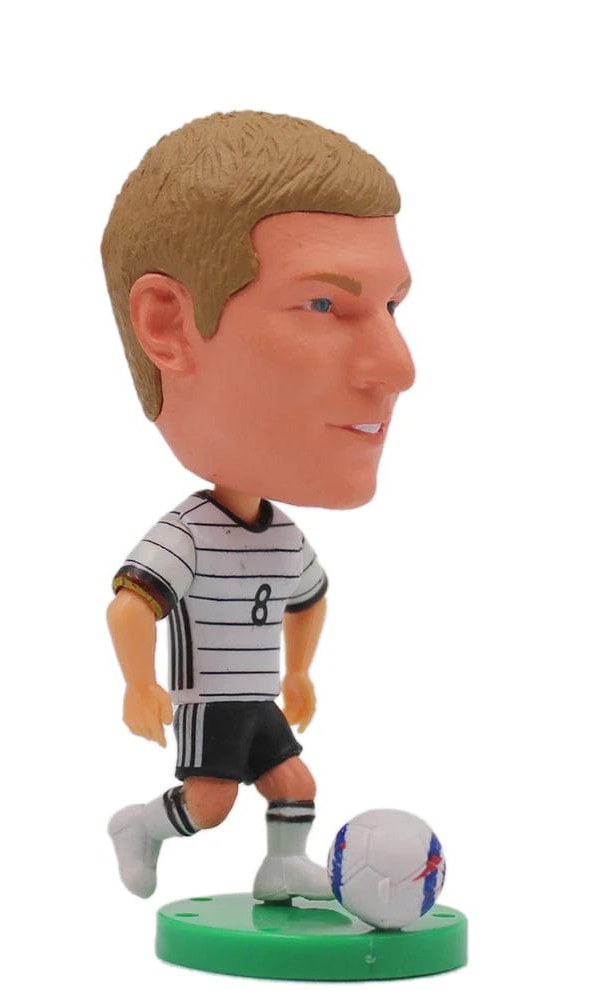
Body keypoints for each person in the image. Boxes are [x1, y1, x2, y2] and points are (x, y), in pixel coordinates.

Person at [100, 111, 415, 900]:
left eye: (393, 308)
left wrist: (299, 669)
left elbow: (309, 597)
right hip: (211, 703)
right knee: (209, 806)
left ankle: (281, 866)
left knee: (295, 781)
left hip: (262, 695)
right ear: (168, 326)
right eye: (324, 306)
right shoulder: (188, 534)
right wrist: (140, 685)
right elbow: (131, 605)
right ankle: (141, 825)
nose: (398, 368)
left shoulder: (280, 533)